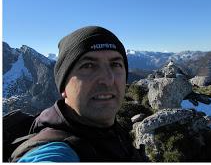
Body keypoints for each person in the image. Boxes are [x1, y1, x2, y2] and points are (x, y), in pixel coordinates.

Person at [11, 26, 147, 162]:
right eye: (88, 65)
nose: (108, 79)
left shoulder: (113, 131)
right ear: (63, 87)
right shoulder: (54, 151)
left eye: (115, 64)